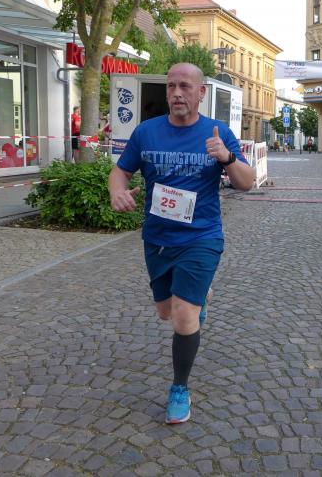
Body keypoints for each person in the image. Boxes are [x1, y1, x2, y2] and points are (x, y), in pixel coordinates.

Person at [108, 63, 255, 424]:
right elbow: (121, 171)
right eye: (171, 86)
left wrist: (227, 158)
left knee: (184, 315)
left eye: (185, 86)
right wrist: (116, 191)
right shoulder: (147, 132)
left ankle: (179, 388)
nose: (176, 93)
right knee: (166, 312)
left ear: (201, 92)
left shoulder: (218, 133)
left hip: (201, 236)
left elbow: (247, 182)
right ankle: (197, 298)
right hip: (158, 237)